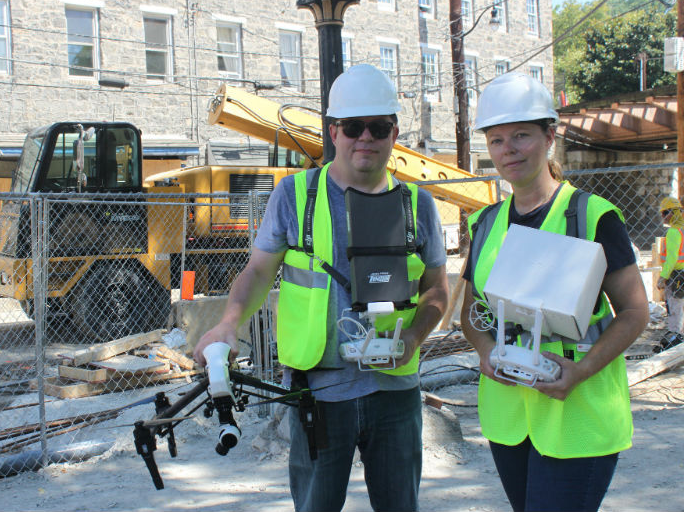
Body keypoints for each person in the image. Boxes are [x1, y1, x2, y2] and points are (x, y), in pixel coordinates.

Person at [193, 64, 449, 512]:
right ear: (334, 132)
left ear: (394, 133)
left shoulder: (418, 205)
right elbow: (256, 272)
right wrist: (229, 323)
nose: (364, 137)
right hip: (318, 391)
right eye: (353, 127)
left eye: (378, 127)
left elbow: (437, 292)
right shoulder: (294, 196)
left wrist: (413, 337)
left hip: (393, 394)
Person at [459, 72, 649, 512]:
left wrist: (580, 372)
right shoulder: (485, 223)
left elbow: (635, 312)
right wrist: (487, 351)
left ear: (549, 136)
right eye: (497, 139)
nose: (509, 150)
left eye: (521, 135)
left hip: (577, 416)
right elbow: (471, 313)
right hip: (510, 420)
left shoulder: (593, 217)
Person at [654, 196, 684, 352]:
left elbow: (672, 258)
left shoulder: (673, 232)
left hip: (676, 275)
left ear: (672, 213)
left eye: (664, 213)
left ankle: (676, 339)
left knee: (674, 309)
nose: (662, 217)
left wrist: (663, 277)